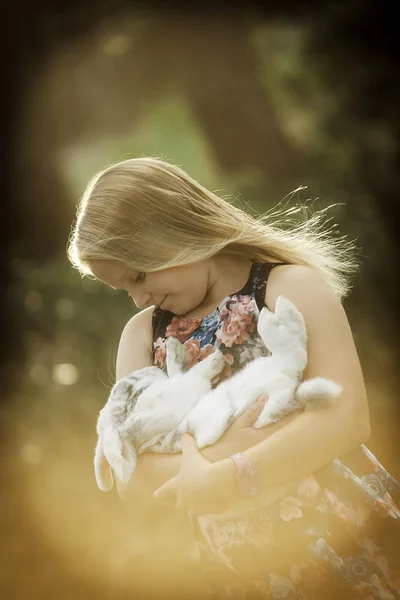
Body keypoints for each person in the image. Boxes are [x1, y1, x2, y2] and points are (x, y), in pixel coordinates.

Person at [68, 157, 400, 599]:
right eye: (122, 289)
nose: (137, 298)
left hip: (353, 534)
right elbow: (130, 474)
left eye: (139, 276)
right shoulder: (142, 337)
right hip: (250, 574)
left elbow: (346, 416)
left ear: (174, 230)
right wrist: (232, 451)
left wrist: (231, 477)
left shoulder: (288, 287)